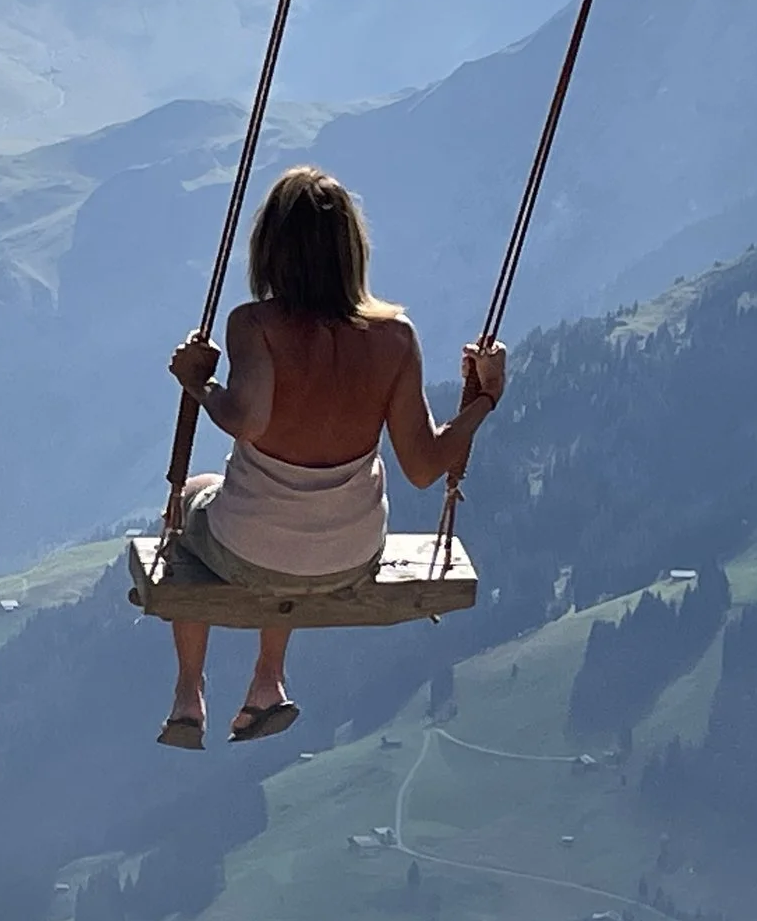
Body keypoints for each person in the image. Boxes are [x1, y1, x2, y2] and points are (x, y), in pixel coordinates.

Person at [159, 166, 507, 748]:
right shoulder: (396, 338)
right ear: (352, 251)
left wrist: (200, 383)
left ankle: (189, 693)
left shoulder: (255, 326)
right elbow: (424, 466)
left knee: (197, 493)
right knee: (301, 517)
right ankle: (267, 680)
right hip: (351, 554)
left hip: (246, 548)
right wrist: (486, 398)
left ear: (270, 250)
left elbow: (245, 418)